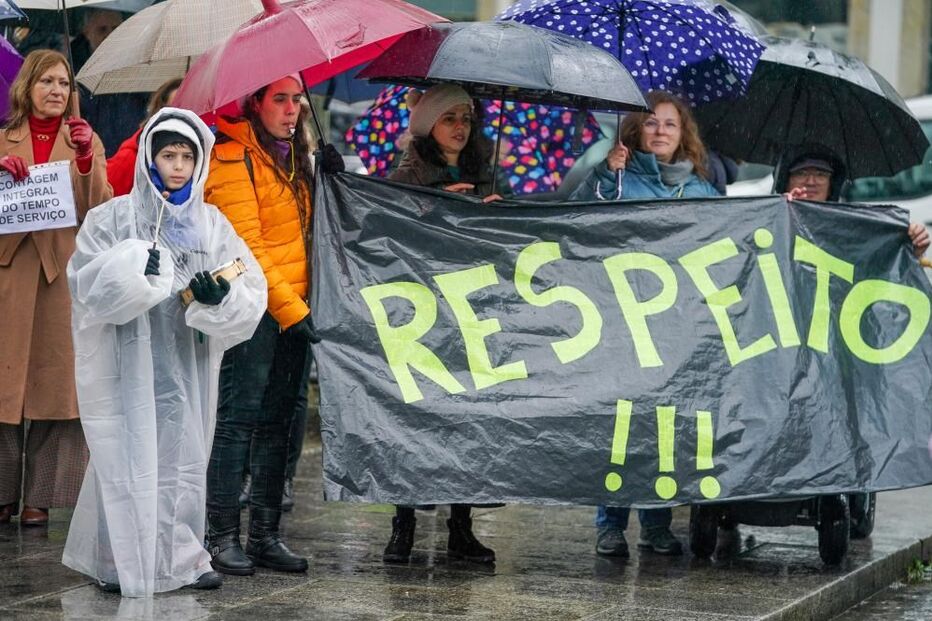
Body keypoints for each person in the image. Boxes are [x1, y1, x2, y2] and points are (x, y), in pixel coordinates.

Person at [61, 108, 267, 597]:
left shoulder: (211, 225)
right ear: (149, 158)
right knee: (127, 453)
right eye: (168, 154)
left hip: (186, 360)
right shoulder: (112, 217)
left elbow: (247, 282)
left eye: (187, 156)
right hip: (128, 356)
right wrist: (134, 267)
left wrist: (220, 297)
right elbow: (86, 283)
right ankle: (120, 558)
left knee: (184, 455)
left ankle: (183, 557)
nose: (177, 166)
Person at [203, 73, 342, 577]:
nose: (292, 109)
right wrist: (294, 310)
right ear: (254, 103)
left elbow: (309, 236)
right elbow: (251, 249)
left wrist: (331, 180)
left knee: (280, 424)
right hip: (253, 310)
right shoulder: (231, 158)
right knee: (238, 419)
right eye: (280, 100)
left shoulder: (292, 155)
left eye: (297, 99)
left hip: (294, 306)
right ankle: (220, 536)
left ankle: (265, 535)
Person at [573, 90, 720, 558]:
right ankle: (610, 524)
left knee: (664, 429)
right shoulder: (616, 177)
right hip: (619, 324)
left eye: (670, 125)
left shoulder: (701, 190)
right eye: (652, 123)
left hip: (674, 330)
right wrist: (604, 175)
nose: (660, 132)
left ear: (684, 135)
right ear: (636, 129)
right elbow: (576, 224)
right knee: (620, 427)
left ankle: (657, 525)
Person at [381, 84, 503, 566]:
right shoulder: (407, 172)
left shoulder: (483, 170)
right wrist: (433, 206)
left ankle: (461, 525)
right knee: (414, 418)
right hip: (422, 314)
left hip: (470, 311)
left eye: (466, 119)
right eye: (448, 117)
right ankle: (403, 523)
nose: (459, 127)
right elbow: (386, 232)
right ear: (427, 122)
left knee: (466, 420)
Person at [0, 49, 110, 527]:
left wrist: (86, 158)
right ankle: (1, 492)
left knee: (55, 386)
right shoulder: (3, 137)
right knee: (2, 389)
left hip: (61, 275)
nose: (56, 91)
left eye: (64, 84)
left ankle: (39, 497)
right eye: (47, 81)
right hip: (8, 272)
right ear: (28, 86)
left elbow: (97, 208)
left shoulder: (84, 138)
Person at [780, 148, 932, 259]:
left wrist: (911, 249)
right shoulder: (773, 218)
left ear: (831, 185)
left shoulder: (850, 225)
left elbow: (879, 268)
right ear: (785, 182)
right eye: (801, 173)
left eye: (821, 174)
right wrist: (780, 212)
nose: (811, 181)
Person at [107, 78, 183, 196]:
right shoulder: (131, 157)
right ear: (158, 114)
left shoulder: (209, 155)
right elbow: (104, 201)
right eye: (176, 110)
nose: (184, 118)